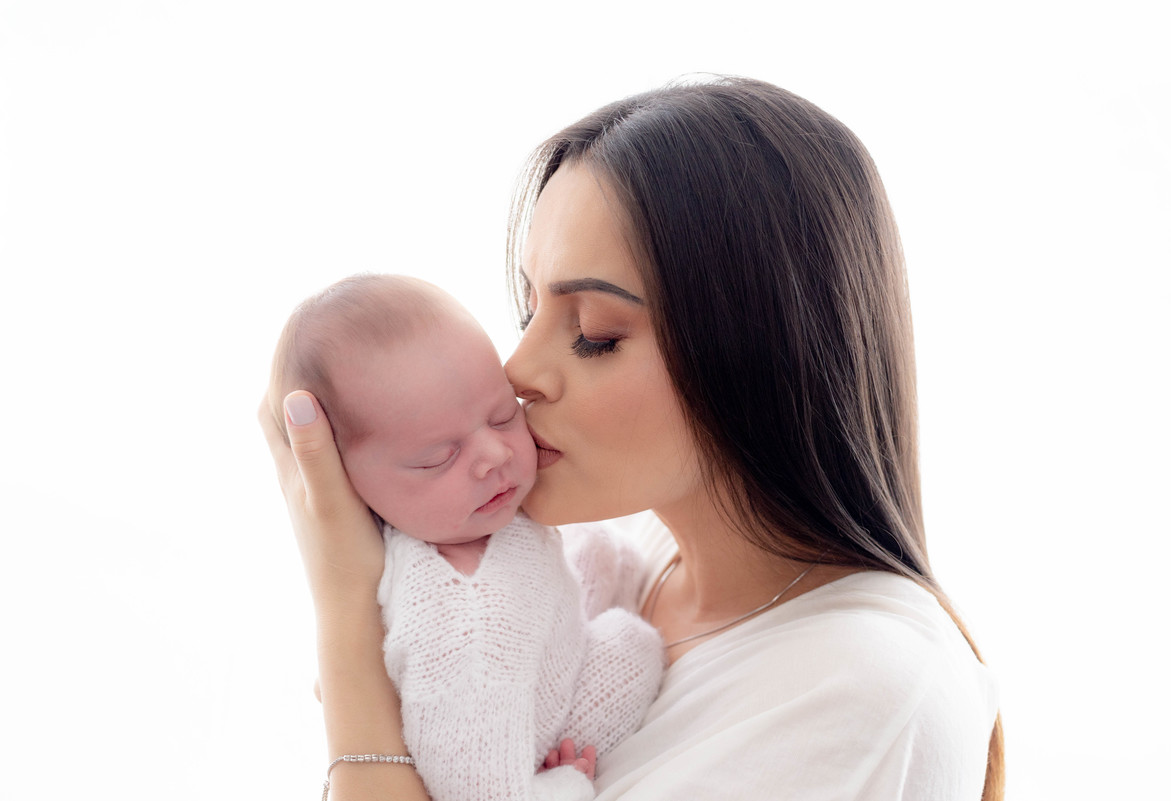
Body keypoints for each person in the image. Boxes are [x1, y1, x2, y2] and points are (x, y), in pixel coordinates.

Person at [261, 75, 1004, 800]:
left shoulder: (860, 691)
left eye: (593, 333)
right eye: (529, 311)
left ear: (757, 351)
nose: (517, 371)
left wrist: (346, 610)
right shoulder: (617, 556)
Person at [265, 275, 663, 801]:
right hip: (522, 746)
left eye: (502, 415)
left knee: (597, 557)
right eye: (438, 458)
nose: (495, 455)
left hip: (554, 653)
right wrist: (564, 783)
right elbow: (477, 789)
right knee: (634, 648)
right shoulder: (454, 626)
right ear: (346, 487)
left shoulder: (474, 518)